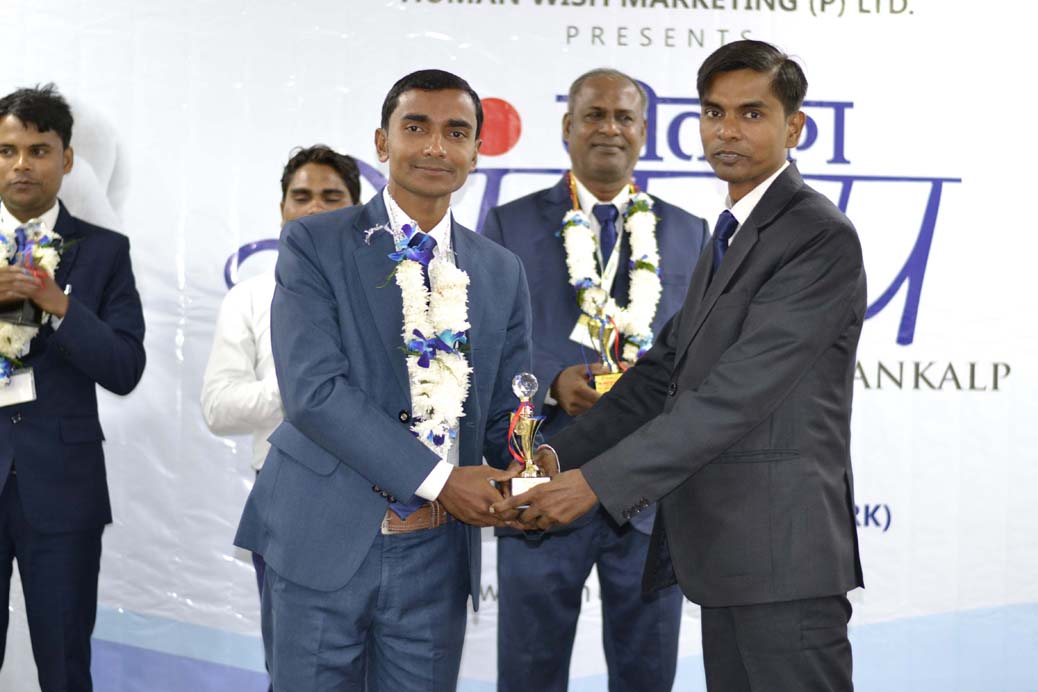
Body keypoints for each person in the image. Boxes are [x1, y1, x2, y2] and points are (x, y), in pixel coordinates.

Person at [495, 40, 866, 692]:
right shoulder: (733, 232)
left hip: (782, 560)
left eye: (752, 113)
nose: (728, 131)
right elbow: (662, 373)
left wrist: (592, 485)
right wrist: (556, 456)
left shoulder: (816, 235)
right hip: (729, 559)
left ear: (795, 128)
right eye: (715, 112)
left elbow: (730, 397)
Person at [234, 69, 532, 691]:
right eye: (416, 127)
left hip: (437, 555)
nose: (436, 146)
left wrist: (534, 461)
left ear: (477, 151)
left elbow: (507, 409)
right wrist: (441, 480)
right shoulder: (315, 242)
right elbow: (314, 393)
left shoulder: (500, 270)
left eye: (457, 132)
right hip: (322, 539)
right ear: (381, 142)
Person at [482, 68, 709, 692]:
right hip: (540, 476)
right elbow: (486, 342)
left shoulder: (689, 232)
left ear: (644, 133)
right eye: (594, 115)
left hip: (649, 490)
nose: (609, 128)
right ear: (568, 127)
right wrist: (551, 381)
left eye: (624, 117)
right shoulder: (508, 225)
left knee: (647, 674)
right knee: (529, 673)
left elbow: (700, 354)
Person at [0, 85, 146, 691]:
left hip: (62, 489)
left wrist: (59, 305)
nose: (22, 165)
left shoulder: (106, 251)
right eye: (7, 151)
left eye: (39, 150)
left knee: (64, 667)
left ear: (66, 160)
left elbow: (124, 368)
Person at [200, 145, 360, 689]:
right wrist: (300, 389)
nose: (314, 208)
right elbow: (218, 408)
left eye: (331, 197)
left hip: (380, 499)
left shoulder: (390, 295)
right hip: (287, 497)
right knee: (296, 671)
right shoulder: (250, 298)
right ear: (282, 209)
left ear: (357, 210)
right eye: (302, 196)